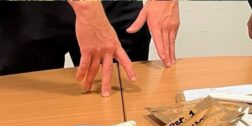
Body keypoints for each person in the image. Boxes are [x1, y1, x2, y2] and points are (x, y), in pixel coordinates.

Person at [0, 0, 180, 97]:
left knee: (119, 112)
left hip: (114, 6)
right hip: (28, 10)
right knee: (27, 119)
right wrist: (86, 5)